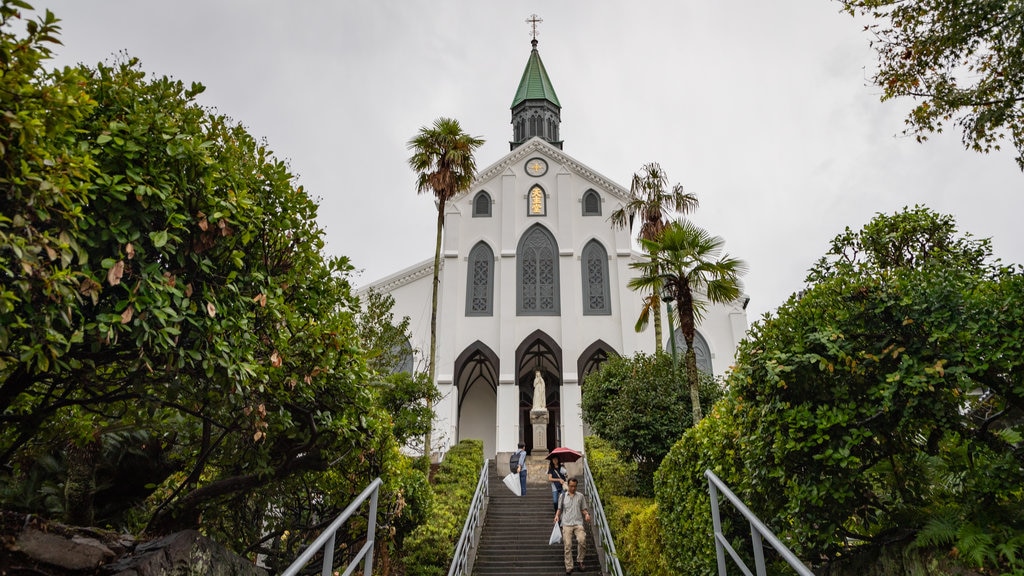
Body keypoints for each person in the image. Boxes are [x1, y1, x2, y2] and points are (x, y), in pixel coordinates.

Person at [553, 478, 590, 575]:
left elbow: (583, 509)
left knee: (582, 540)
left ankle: (580, 561)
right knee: (568, 545)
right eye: (571, 486)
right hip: (566, 524)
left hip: (578, 523)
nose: (573, 488)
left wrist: (586, 514)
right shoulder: (563, 496)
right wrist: (557, 516)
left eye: (575, 486)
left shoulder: (580, 496)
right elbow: (559, 509)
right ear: (568, 485)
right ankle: (569, 566)